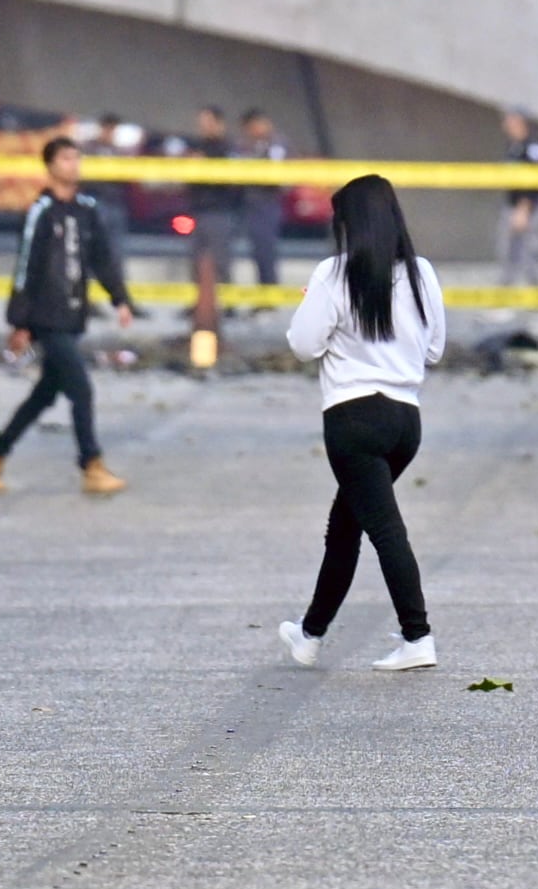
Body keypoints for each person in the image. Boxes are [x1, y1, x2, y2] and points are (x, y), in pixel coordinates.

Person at [280, 174, 447, 673]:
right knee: (344, 528)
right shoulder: (422, 273)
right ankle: (309, 635)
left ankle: (418, 636)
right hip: (404, 421)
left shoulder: (335, 273)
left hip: (353, 420)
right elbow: (434, 349)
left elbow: (303, 344)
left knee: (384, 531)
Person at [0, 136, 134, 496]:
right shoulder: (40, 212)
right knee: (81, 389)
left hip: (74, 314)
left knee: (45, 393)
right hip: (46, 316)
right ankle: (91, 465)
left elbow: (102, 259)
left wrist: (120, 300)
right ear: (51, 166)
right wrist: (20, 321)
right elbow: (24, 267)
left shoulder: (87, 209)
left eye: (76, 158)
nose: (73, 165)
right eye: (66, 159)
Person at [187, 106, 243, 294]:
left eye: (208, 123)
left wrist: (206, 168)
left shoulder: (229, 149)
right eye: (201, 123)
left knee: (221, 260)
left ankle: (226, 304)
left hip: (220, 211)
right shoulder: (197, 147)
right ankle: (199, 305)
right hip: (198, 211)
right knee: (197, 259)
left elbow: (234, 182)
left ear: (219, 124)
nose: (204, 127)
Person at [238, 108, 291, 289]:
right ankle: (263, 297)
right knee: (258, 252)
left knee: (266, 251)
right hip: (249, 205)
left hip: (268, 204)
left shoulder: (276, 144)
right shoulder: (245, 146)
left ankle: (269, 297)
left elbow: (279, 175)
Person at [497, 108, 538, 288]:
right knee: (508, 253)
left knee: (531, 254)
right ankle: (506, 296)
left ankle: (537, 298)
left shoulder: (532, 148)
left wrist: (524, 209)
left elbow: (535, 180)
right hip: (512, 207)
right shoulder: (513, 147)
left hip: (529, 209)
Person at [85, 112, 134, 277]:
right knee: (92, 249)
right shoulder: (89, 149)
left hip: (115, 205)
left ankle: (118, 297)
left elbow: (128, 178)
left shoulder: (119, 152)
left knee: (115, 252)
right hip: (95, 202)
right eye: (107, 128)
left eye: (112, 129)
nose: (109, 132)